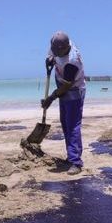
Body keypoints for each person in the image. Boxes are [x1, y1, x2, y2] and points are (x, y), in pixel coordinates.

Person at [40, 31, 86, 175]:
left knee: (72, 126)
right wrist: (50, 60)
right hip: (62, 84)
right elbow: (51, 55)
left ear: (64, 49)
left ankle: (76, 162)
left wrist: (51, 98)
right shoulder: (58, 43)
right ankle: (70, 157)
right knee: (65, 124)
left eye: (57, 52)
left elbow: (66, 86)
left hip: (74, 90)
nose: (54, 52)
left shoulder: (72, 61)